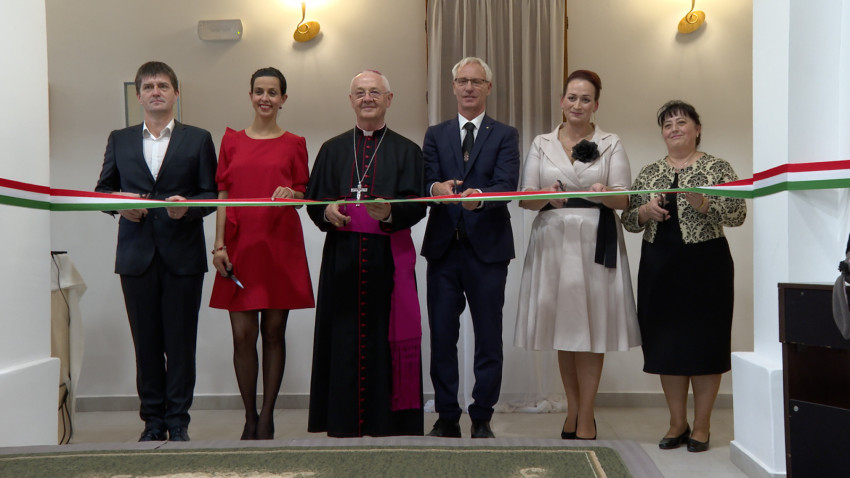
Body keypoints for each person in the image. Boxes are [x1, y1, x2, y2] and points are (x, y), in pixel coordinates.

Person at [513, 70, 640, 440]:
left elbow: (624, 198)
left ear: (596, 104)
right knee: (564, 329)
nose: (578, 105)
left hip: (595, 240)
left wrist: (604, 192)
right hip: (552, 240)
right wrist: (545, 196)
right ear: (562, 101)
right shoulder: (541, 142)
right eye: (572, 97)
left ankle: (587, 414)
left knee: (591, 329)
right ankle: (571, 410)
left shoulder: (610, 142)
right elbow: (525, 198)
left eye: (586, 99)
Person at [95, 61, 217, 442]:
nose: (156, 92)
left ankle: (178, 421)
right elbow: (101, 192)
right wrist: (120, 206)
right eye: (148, 87)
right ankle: (152, 422)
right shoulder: (120, 139)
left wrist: (189, 208)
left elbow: (211, 194)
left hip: (183, 256)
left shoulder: (198, 139)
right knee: (145, 344)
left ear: (176, 93)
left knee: (181, 344)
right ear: (138, 96)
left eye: (163, 85)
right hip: (136, 256)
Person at [305, 70, 425, 437]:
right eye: (360, 92)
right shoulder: (332, 149)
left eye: (375, 92)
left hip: (389, 262)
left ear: (389, 99)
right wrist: (326, 211)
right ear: (351, 100)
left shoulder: (408, 150)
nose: (367, 98)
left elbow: (418, 205)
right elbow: (314, 201)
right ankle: (341, 421)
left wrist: (389, 213)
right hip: (342, 260)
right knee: (342, 339)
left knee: (384, 339)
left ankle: (389, 422)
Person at [621, 100, 746, 452]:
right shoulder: (649, 172)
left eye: (681, 122)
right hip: (659, 266)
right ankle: (677, 423)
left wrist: (704, 204)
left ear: (697, 128)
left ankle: (702, 425)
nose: (674, 129)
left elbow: (738, 213)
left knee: (706, 343)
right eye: (668, 124)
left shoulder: (718, 167)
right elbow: (628, 221)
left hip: (707, 266)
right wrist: (645, 211)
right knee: (667, 345)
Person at [209, 67, 314, 440]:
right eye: (259, 91)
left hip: (278, 246)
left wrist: (292, 194)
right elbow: (222, 195)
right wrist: (218, 245)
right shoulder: (231, 141)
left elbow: (303, 196)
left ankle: (267, 418)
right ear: (250, 95)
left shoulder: (295, 143)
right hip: (239, 246)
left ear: (283, 99)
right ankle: (249, 416)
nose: (265, 98)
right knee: (242, 335)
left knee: (273, 332)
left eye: (272, 92)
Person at [421, 57, 520, 439]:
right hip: (443, 250)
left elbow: (506, 185)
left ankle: (482, 416)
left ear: (488, 88)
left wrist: (478, 197)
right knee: (442, 337)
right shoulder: (436, 133)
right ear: (453, 87)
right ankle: (447, 416)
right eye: (462, 81)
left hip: (488, 251)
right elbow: (426, 179)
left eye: (476, 82)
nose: (468, 87)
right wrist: (436, 188)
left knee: (488, 338)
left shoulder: (505, 134)